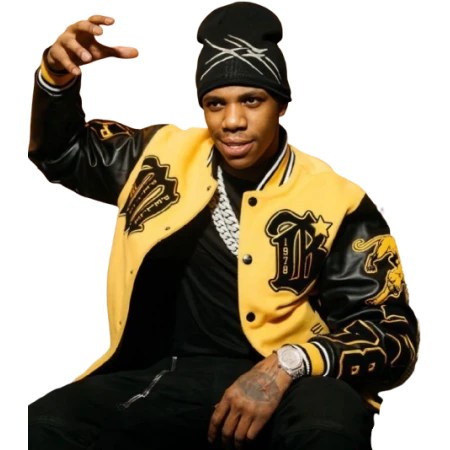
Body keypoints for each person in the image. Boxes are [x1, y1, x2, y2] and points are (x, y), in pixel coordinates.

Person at [25, 1, 421, 449]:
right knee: (45, 422)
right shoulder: (155, 155)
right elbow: (61, 153)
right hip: (168, 375)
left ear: (281, 105)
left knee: (329, 427)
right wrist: (56, 77)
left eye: (251, 100)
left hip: (289, 379)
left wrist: (289, 364)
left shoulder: (338, 201)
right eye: (216, 104)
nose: (232, 121)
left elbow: (392, 333)